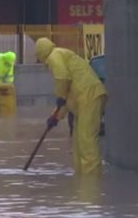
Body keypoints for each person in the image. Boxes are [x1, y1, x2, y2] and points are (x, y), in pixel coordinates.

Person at [34, 38, 108, 175]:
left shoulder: (55, 55)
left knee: (86, 141)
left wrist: (60, 96)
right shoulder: (63, 57)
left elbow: (62, 79)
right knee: (78, 141)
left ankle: (91, 179)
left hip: (89, 96)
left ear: (41, 53)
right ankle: (81, 177)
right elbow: (67, 95)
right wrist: (56, 117)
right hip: (85, 99)